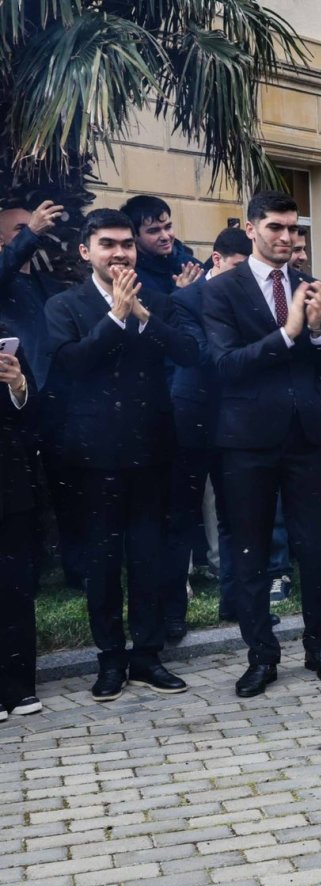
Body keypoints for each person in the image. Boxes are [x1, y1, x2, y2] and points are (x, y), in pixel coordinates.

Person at [43, 207, 199, 702]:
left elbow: (189, 353)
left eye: (127, 244)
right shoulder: (64, 305)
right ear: (85, 250)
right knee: (104, 562)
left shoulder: (156, 298)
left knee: (150, 557)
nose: (120, 253)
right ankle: (110, 660)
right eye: (108, 244)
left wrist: (142, 315)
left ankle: (148, 655)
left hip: (153, 449)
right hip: (93, 455)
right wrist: (114, 317)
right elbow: (71, 363)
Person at [202, 191, 321, 699]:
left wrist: (317, 331)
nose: (287, 238)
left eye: (294, 229)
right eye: (276, 228)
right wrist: (287, 334)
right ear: (251, 229)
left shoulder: (309, 287)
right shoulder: (222, 291)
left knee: (315, 547)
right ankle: (261, 655)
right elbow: (223, 366)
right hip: (246, 442)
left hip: (306, 435)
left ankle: (319, 646)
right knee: (251, 552)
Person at [164, 226, 254, 643]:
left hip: (237, 418)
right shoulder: (185, 299)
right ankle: (173, 613)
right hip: (193, 416)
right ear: (215, 260)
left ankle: (237, 603)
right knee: (181, 516)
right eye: (237, 266)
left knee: (237, 514)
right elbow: (200, 354)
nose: (243, 274)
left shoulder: (250, 297)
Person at [0, 338, 41, 721]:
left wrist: (18, 387)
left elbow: (31, 416)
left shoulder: (6, 341)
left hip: (7, 481)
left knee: (14, 586)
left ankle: (19, 684)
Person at [0, 200, 66, 387]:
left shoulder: (47, 284)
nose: (34, 231)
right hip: (16, 391)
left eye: (35, 226)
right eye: (21, 228)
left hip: (52, 391)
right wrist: (32, 232)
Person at [121, 195, 204, 297]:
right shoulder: (130, 276)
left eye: (168, 227)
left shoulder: (190, 263)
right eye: (154, 231)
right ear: (134, 236)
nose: (165, 236)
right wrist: (181, 293)